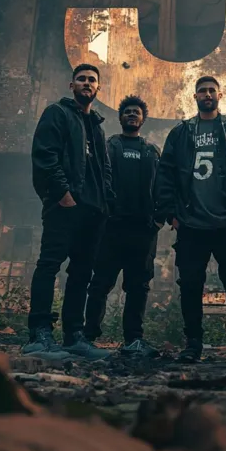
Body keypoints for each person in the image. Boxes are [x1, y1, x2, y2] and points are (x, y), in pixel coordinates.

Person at [154, 76, 226, 363]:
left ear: (220, 95)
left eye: (212, 90)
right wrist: (173, 216)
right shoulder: (181, 133)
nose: (207, 94)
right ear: (195, 96)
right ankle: (193, 343)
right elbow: (165, 174)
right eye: (202, 91)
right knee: (190, 284)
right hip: (191, 224)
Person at [24, 64, 113, 361]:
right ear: (71, 84)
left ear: (98, 88)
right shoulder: (57, 114)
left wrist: (105, 204)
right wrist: (63, 194)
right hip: (65, 206)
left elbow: (105, 171)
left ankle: (74, 335)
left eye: (92, 80)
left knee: (81, 274)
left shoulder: (97, 127)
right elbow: (45, 155)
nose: (87, 83)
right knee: (49, 265)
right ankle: (39, 334)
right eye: (82, 79)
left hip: (93, 211)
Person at [85, 95, 160, 358]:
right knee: (100, 283)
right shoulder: (109, 146)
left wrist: (158, 220)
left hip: (142, 230)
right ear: (121, 117)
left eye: (136, 112)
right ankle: (88, 337)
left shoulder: (152, 151)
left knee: (138, 287)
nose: (131, 114)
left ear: (142, 119)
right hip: (111, 229)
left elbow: (161, 187)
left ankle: (133, 340)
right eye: (127, 111)